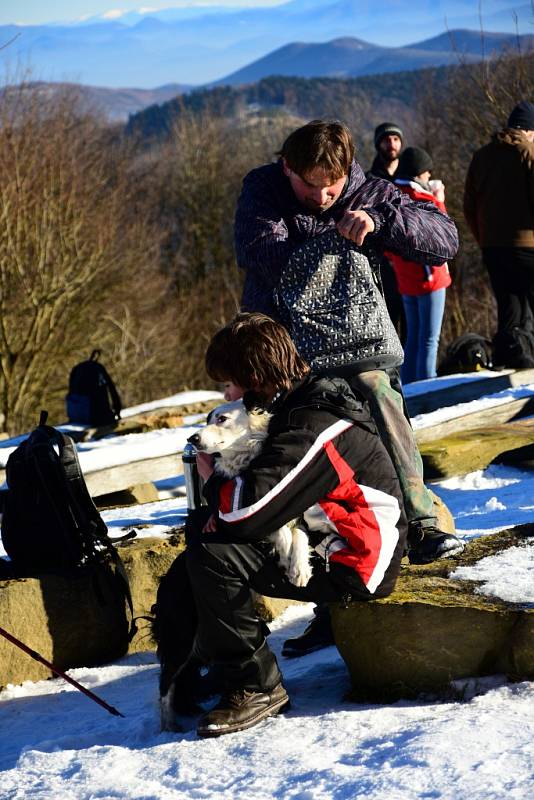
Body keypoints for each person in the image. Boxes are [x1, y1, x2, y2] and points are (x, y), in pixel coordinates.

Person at [234, 119, 464, 655]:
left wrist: (380, 219)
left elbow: (443, 239)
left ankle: (421, 519)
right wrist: (337, 230)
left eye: (331, 187)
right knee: (300, 459)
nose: (320, 197)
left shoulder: (369, 189)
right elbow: (264, 254)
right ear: (286, 167)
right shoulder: (262, 188)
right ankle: (326, 598)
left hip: (359, 341)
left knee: (378, 394)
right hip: (287, 351)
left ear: (347, 171)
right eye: (309, 186)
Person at [168, 312, 407, 737]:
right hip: (322, 538)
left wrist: (213, 481)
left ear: (255, 377)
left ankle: (255, 685)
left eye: (230, 383)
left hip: (356, 560)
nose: (227, 393)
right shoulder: (296, 406)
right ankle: (208, 664)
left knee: (214, 555)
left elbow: (248, 512)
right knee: (198, 545)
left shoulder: (314, 424)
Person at [464, 101, 534, 368]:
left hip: (493, 245)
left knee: (509, 304)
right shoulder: (528, 152)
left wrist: (482, 237)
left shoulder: (482, 156)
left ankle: (512, 355)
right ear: (529, 130)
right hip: (528, 244)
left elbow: (469, 203)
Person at [387, 147, 451, 383]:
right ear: (417, 174)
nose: (428, 177)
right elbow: (442, 235)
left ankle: (409, 389)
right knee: (429, 339)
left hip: (406, 278)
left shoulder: (392, 196)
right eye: (426, 173)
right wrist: (439, 200)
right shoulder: (421, 199)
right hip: (429, 277)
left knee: (412, 336)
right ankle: (428, 387)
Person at [367, 122, 407, 340]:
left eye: (395, 139)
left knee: (413, 327)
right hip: (383, 264)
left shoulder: (411, 176)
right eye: (386, 139)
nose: (391, 144)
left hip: (410, 260)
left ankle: (416, 374)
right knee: (388, 323)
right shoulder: (369, 181)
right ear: (378, 144)